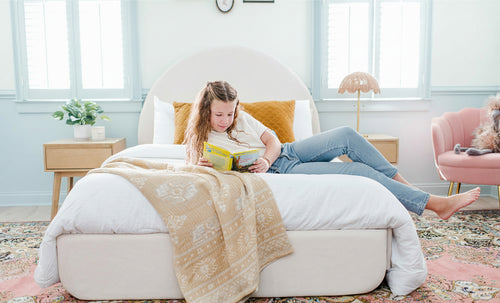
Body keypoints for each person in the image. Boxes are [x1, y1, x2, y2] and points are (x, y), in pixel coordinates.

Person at [184, 81, 480, 220]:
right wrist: (209, 169)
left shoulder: (241, 116)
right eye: (219, 115)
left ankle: (407, 189)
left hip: (284, 153)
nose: (226, 120)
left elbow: (273, 140)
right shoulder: (202, 141)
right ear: (205, 110)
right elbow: (195, 172)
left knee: (347, 135)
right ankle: (434, 204)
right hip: (282, 171)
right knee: (358, 172)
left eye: (230, 113)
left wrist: (263, 157)